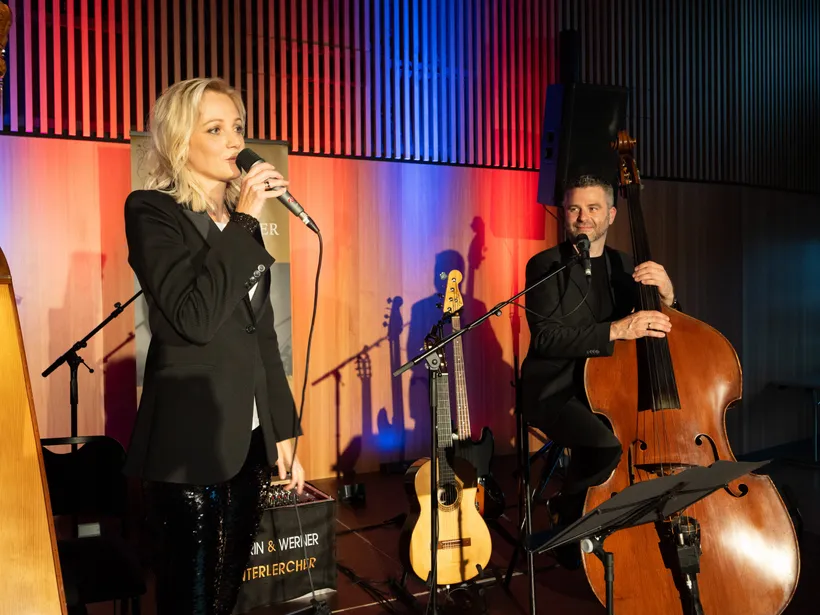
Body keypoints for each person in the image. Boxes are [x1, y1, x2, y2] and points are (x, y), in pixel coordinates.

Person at [123, 77, 305, 614]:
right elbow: (194, 318)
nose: (235, 142)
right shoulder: (152, 211)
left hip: (246, 442)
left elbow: (261, 335)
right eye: (216, 129)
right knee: (190, 602)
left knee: (227, 599)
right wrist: (246, 219)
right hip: (186, 448)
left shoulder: (238, 226)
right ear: (182, 143)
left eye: (238, 128)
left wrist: (282, 432)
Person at [521, 175, 678, 563]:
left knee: (631, 429)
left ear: (610, 214)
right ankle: (571, 516)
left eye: (592, 209)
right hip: (556, 388)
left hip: (610, 386)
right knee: (607, 443)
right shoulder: (545, 265)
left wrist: (669, 296)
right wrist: (617, 329)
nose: (582, 218)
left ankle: (619, 519)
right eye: (574, 209)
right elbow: (546, 339)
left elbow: (662, 329)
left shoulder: (626, 266)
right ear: (564, 215)